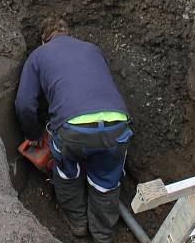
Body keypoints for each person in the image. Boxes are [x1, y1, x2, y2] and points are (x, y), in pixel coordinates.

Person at [15, 18, 132, 242]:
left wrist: (34, 134)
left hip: (73, 128)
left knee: (67, 173)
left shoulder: (39, 55)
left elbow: (24, 104)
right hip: (117, 124)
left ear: (43, 40)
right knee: (106, 181)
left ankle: (78, 225)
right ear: (69, 34)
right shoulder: (93, 49)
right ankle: (103, 235)